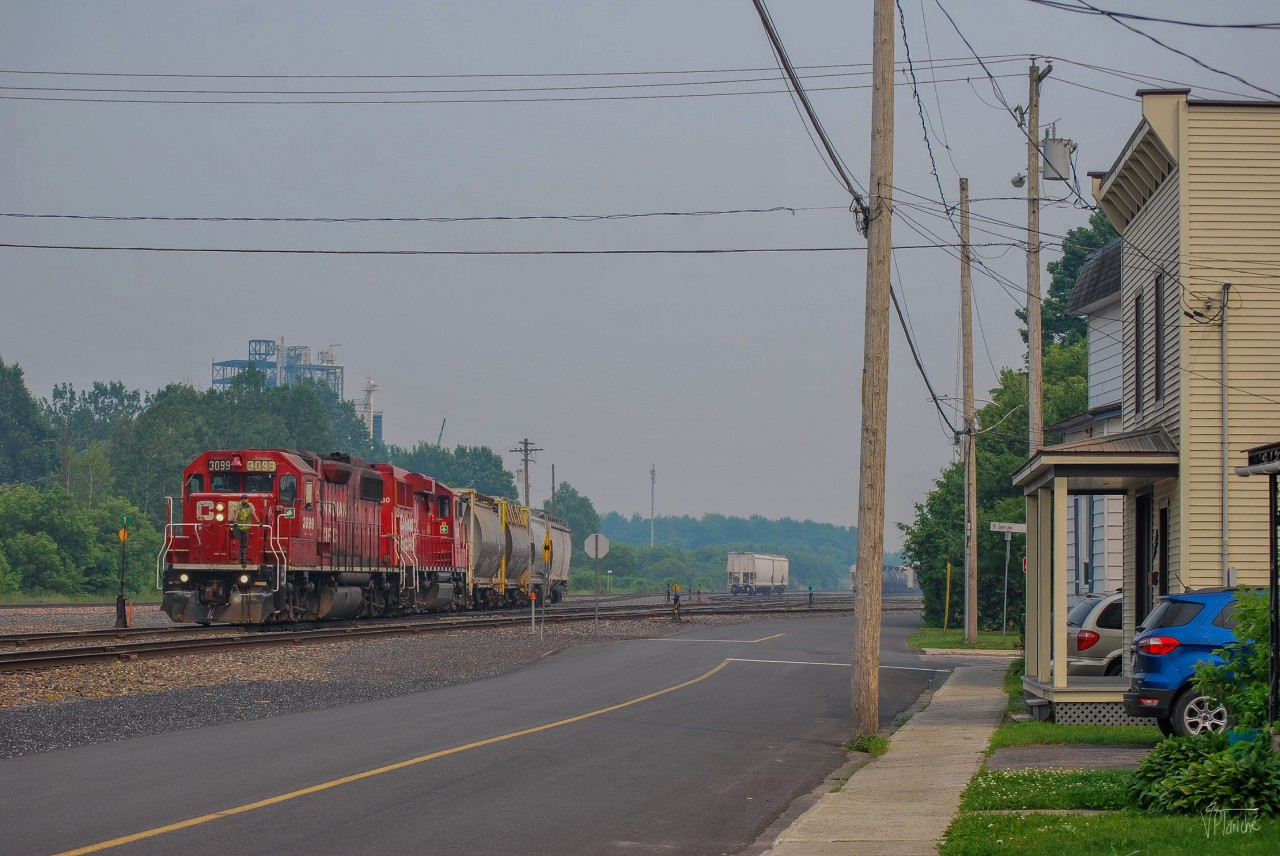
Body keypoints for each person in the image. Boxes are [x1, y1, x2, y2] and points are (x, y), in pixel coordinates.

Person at [232, 494, 258, 566]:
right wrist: (234, 522)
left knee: (244, 544)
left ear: (247, 499)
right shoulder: (238, 506)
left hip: (246, 528)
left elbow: (254, 514)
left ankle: (243, 559)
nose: (243, 499)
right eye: (242, 498)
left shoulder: (250, 506)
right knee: (238, 544)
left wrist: (258, 522)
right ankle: (238, 559)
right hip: (238, 527)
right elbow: (236, 514)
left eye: (245, 498)